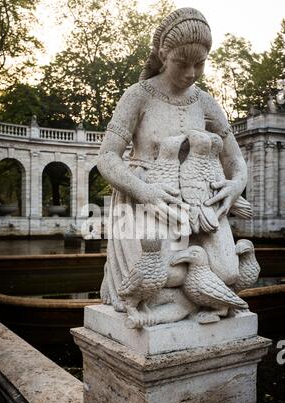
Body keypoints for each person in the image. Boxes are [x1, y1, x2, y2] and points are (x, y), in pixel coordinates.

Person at [97, 7, 247, 320]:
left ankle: (188, 303)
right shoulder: (138, 95)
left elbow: (235, 158)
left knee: (228, 273)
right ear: (164, 55)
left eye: (200, 63)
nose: (192, 73)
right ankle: (182, 306)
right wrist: (142, 190)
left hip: (198, 197)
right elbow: (107, 156)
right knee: (160, 276)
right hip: (149, 197)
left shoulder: (206, 102)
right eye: (183, 63)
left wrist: (234, 187)